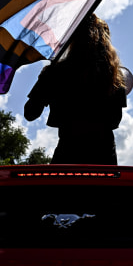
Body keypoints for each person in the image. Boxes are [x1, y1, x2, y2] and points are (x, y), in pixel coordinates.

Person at [24, 13, 127, 164]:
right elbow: (114, 121)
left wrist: (45, 80)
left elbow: (30, 113)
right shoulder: (115, 77)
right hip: (104, 158)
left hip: (68, 154)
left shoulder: (56, 72)